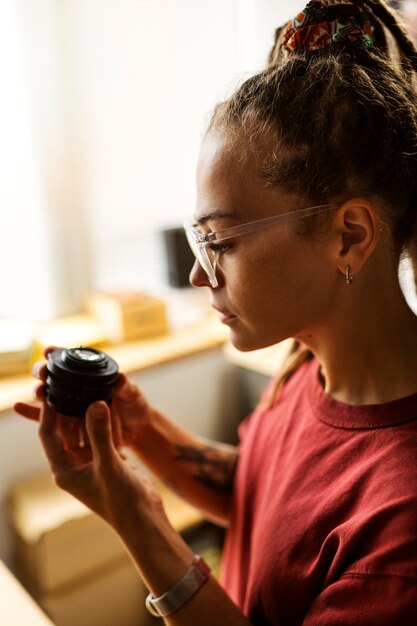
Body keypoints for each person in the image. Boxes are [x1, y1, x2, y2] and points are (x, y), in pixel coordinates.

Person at [14, 1, 417, 624]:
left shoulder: (401, 529)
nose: (201, 274)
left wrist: (138, 519)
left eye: (223, 242)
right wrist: (142, 430)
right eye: (199, 242)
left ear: (349, 237)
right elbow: (270, 503)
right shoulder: (304, 362)